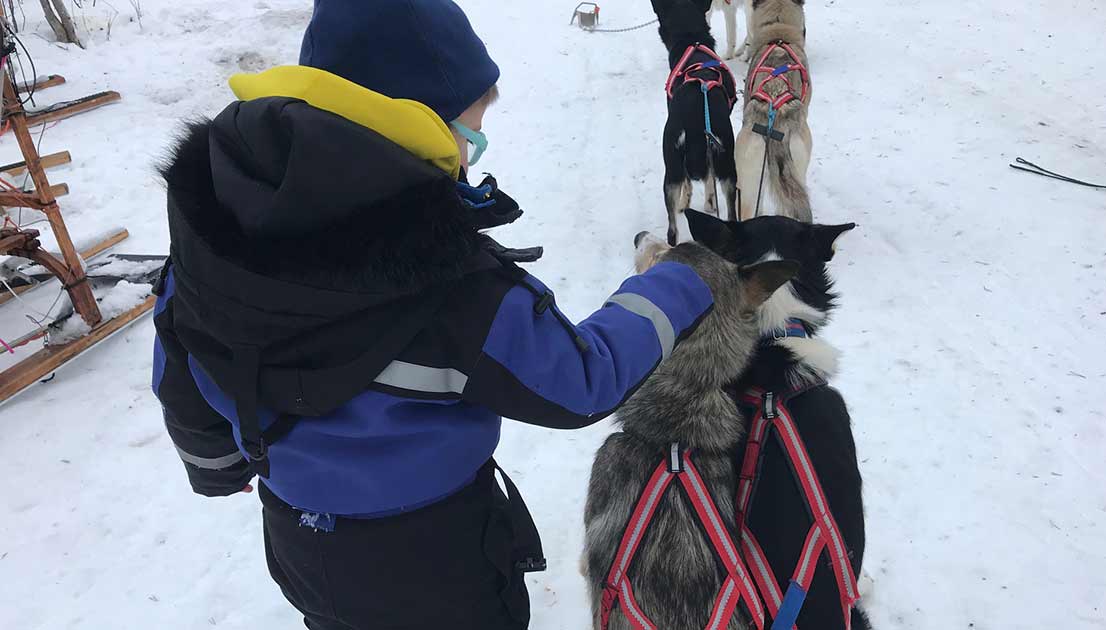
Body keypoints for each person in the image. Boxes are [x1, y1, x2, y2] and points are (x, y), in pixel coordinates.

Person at [151, 1, 714, 629]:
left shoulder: (217, 220)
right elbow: (579, 382)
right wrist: (683, 280)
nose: (472, 155)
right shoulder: (451, 284)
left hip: (300, 543)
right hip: (437, 554)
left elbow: (182, 343)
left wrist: (216, 463)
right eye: (469, 133)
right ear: (412, 122)